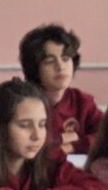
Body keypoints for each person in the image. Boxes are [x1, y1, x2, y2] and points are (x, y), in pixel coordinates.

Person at [21, 22, 100, 160]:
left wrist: (71, 146)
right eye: (49, 61)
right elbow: (22, 142)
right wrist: (63, 137)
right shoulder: (22, 102)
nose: (60, 66)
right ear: (34, 68)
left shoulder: (82, 101)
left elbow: (105, 137)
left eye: (65, 59)